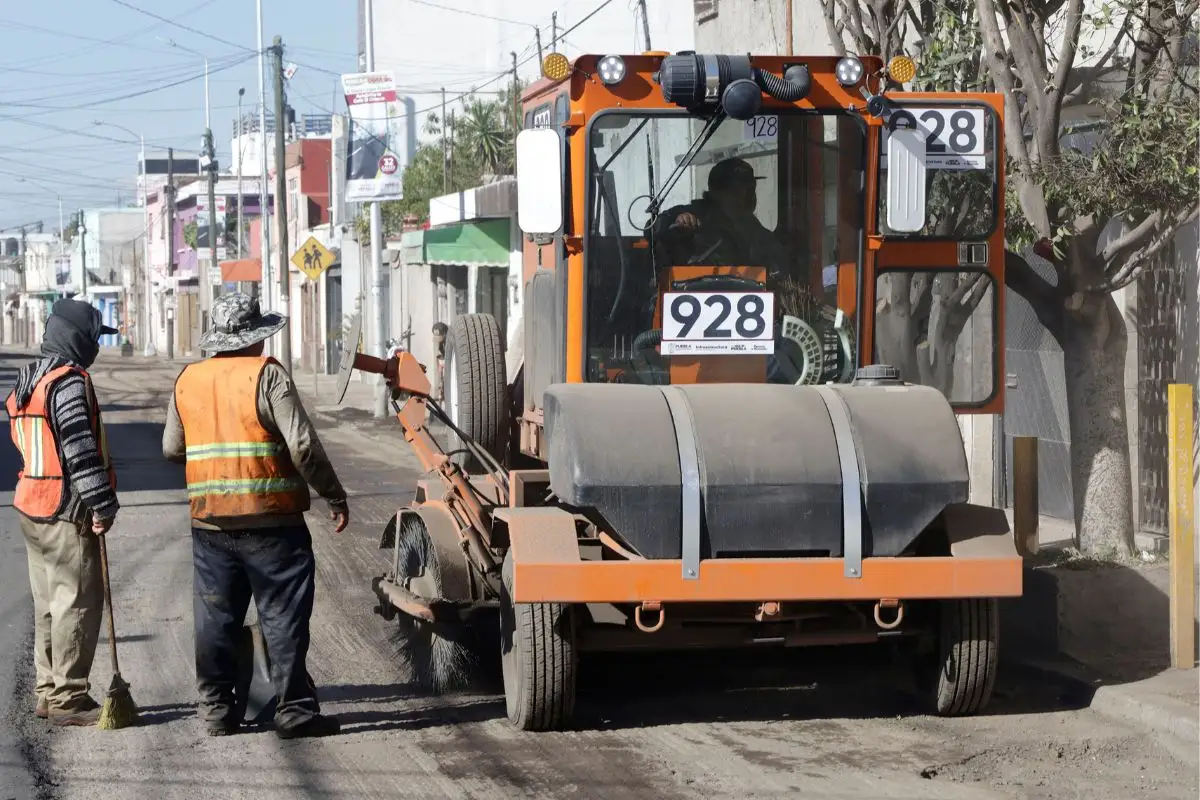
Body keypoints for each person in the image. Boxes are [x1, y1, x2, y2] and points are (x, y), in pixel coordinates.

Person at [162, 292, 350, 739]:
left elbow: (171, 448)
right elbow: (302, 445)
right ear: (255, 339)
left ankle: (217, 713)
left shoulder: (188, 379)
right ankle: (295, 714)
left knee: (216, 618)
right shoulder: (267, 376)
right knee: (282, 617)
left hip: (210, 524)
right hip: (273, 524)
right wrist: (334, 496)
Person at [5, 298, 120, 726]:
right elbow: (79, 452)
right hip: (65, 510)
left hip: (31, 505)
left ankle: (47, 690)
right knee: (77, 601)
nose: (96, 347)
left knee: (48, 604)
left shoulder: (29, 378)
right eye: (93, 338)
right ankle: (70, 698)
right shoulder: (68, 382)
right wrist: (101, 504)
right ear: (76, 338)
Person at [653, 156, 789, 274]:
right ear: (716, 192)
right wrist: (678, 221)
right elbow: (654, 228)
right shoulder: (698, 213)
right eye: (738, 190)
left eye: (751, 189)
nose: (749, 196)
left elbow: (775, 253)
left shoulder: (749, 224)